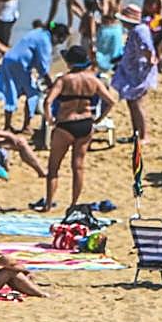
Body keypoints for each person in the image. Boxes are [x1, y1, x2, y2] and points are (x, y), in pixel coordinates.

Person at [40, 45, 115, 210]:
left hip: (66, 123)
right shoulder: (93, 80)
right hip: (85, 123)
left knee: (54, 167)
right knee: (78, 166)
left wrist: (50, 119)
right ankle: (73, 204)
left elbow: (48, 101)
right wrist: (98, 119)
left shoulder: (64, 80)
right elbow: (110, 101)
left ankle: (48, 204)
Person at [0, 21, 67, 134]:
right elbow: (42, 66)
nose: (58, 44)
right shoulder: (45, 41)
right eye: (60, 40)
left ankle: (7, 125)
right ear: (56, 36)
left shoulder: (38, 32)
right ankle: (26, 126)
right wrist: (50, 84)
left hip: (9, 60)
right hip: (20, 64)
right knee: (32, 93)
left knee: (11, 93)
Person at [111, 4, 157, 144]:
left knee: (137, 103)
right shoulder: (135, 30)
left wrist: (149, 60)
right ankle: (136, 133)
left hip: (139, 71)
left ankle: (143, 135)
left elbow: (147, 48)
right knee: (131, 103)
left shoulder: (140, 30)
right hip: (132, 69)